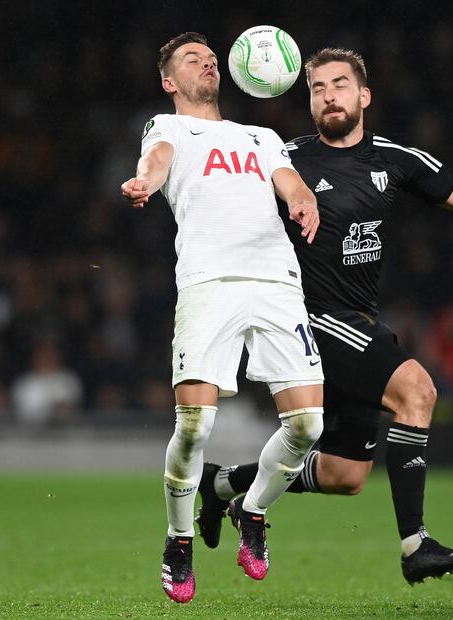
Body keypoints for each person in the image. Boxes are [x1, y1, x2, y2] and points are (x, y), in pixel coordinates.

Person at [196, 48, 453, 585]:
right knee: (417, 391)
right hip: (307, 318)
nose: (328, 95)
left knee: (343, 475)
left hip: (355, 317)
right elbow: (222, 194)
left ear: (364, 96)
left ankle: (221, 487)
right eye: (317, 88)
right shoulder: (283, 160)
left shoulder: (395, 160)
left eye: (339, 85)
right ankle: (415, 544)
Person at [120, 32, 325, 604]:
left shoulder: (261, 135)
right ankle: (179, 538)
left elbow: (289, 181)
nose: (208, 61)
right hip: (209, 284)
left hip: (277, 283)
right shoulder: (169, 128)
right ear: (169, 81)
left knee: (308, 427)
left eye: (210, 57)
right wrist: (145, 183)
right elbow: (156, 162)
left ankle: (251, 510)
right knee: (195, 427)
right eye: (193, 58)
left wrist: (302, 199)